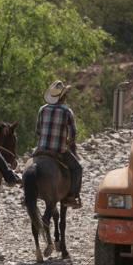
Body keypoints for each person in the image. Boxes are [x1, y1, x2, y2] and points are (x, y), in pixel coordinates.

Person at [34, 80, 82, 208]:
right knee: (77, 169)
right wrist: (67, 141)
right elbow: (73, 134)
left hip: (41, 148)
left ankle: (26, 192)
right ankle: (72, 196)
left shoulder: (42, 109)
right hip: (58, 150)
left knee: (30, 164)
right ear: (63, 96)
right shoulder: (67, 111)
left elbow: (38, 131)